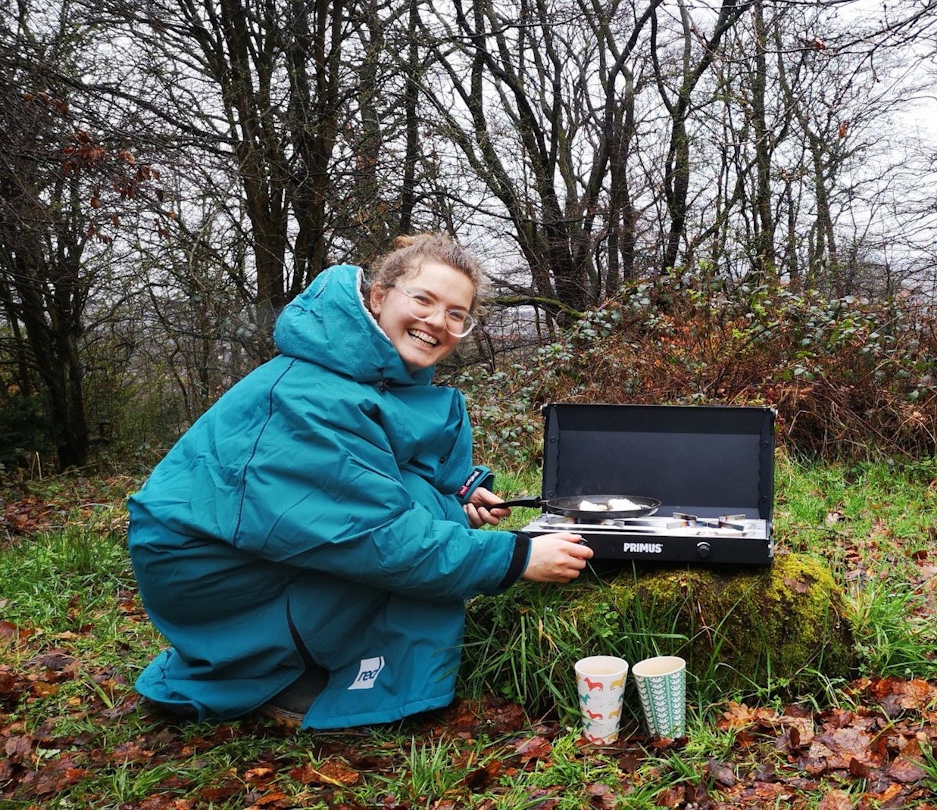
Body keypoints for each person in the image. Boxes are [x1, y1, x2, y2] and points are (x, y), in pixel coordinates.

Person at [126, 233, 591, 730]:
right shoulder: (309, 395)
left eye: (457, 313)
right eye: (424, 300)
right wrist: (518, 557)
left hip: (249, 551)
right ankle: (280, 674)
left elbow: (388, 462)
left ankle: (312, 651)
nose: (438, 322)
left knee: (430, 506)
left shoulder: (363, 372)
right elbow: (376, 536)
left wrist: (459, 493)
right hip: (215, 577)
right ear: (378, 296)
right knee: (411, 528)